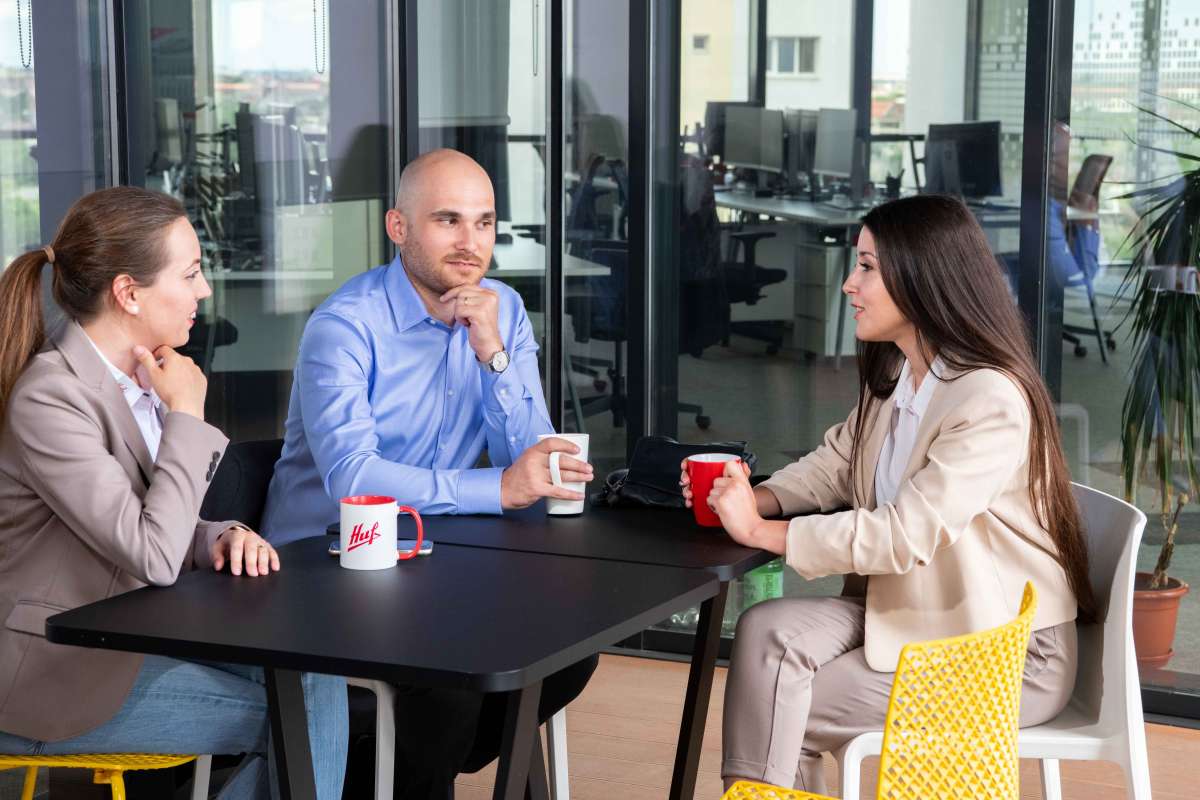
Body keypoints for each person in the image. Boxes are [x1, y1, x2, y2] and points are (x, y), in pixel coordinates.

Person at [680, 194, 1095, 794]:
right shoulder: (898, 377)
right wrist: (755, 497)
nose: (849, 284)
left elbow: (908, 533)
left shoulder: (988, 399)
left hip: (1001, 649)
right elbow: (836, 464)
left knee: (776, 702)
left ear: (924, 277)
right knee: (765, 633)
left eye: (868, 267)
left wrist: (761, 533)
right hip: (917, 607)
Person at [260, 149, 596, 799]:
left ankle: (388, 771)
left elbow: (539, 461)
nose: (471, 243)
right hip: (322, 566)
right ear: (399, 228)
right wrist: (495, 489)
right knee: (449, 676)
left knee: (567, 651)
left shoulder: (501, 310)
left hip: (425, 558)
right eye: (448, 220)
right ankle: (400, 767)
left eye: (485, 222)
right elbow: (353, 479)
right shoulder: (345, 326)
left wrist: (494, 354)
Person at [0, 187, 347, 799]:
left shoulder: (137, 376)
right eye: (190, 274)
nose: (205, 290)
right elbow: (152, 554)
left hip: (128, 638)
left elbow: (141, 520)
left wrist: (219, 534)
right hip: (48, 672)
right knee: (292, 721)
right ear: (128, 293)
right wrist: (187, 414)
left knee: (318, 674)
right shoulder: (50, 399)